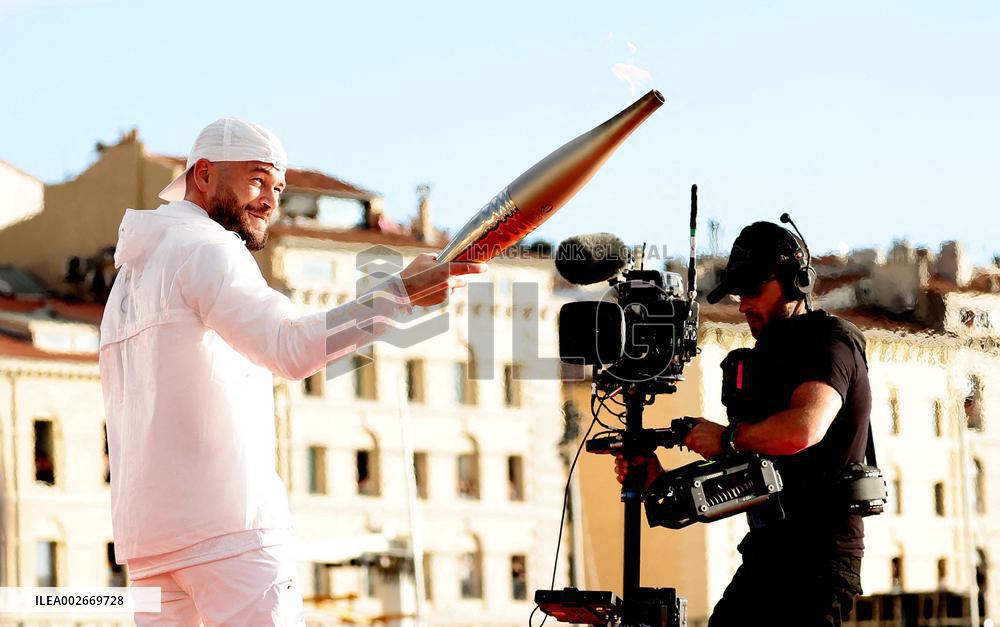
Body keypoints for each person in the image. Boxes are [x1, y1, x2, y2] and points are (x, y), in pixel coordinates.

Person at [99, 118, 486, 626]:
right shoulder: (207, 249)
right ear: (205, 174)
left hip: (150, 545)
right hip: (230, 533)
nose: (269, 201)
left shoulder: (129, 279)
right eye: (257, 180)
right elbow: (288, 347)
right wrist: (402, 294)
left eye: (277, 187)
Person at [615, 221, 871, 626]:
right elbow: (749, 473)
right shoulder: (760, 362)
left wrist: (728, 438)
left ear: (794, 283)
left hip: (816, 560)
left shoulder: (830, 341)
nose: (744, 305)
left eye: (754, 291)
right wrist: (660, 484)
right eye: (739, 294)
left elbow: (803, 429)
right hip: (768, 554)